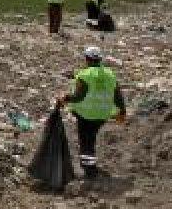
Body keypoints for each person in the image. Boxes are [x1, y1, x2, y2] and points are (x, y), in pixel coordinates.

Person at [54, 45, 126, 178]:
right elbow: (118, 96)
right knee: (90, 139)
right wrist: (122, 111)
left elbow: (79, 96)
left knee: (86, 141)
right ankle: (88, 166)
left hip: (85, 115)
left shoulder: (84, 75)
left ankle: (89, 170)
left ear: (87, 59)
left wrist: (65, 98)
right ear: (100, 60)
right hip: (102, 115)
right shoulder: (110, 75)